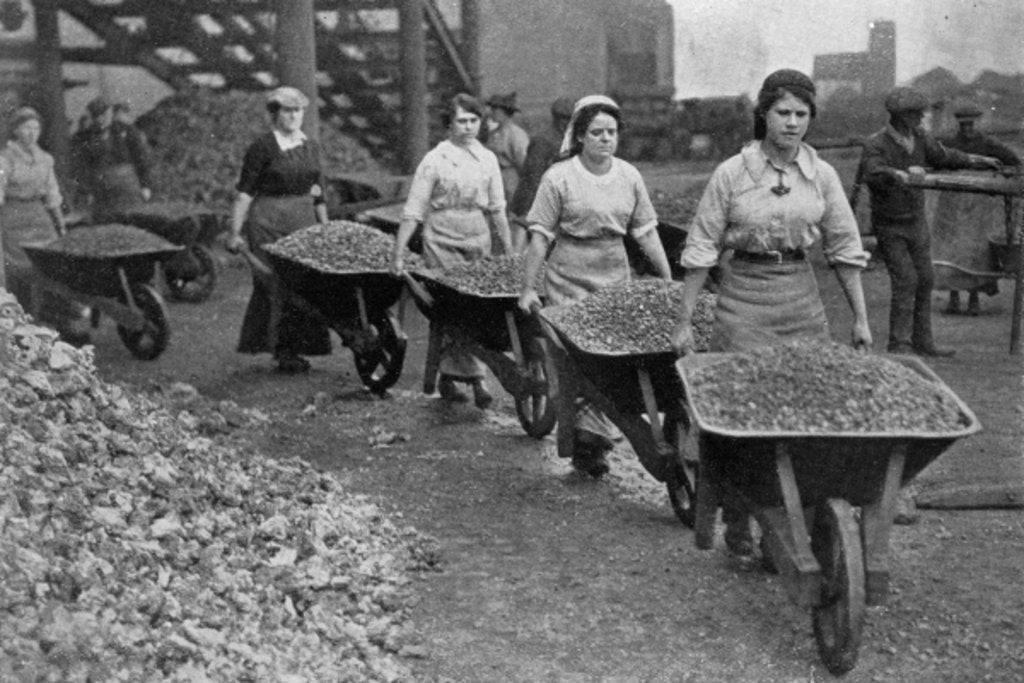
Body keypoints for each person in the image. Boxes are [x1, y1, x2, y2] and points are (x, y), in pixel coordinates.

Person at [670, 70, 872, 560]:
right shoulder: (732, 174)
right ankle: (739, 516)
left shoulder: (820, 175)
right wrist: (683, 320)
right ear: (764, 114)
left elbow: (845, 248)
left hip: (800, 299)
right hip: (742, 300)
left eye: (802, 114)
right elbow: (700, 250)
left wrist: (861, 319)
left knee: (805, 415)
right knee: (743, 415)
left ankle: (794, 521)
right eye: (783, 112)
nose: (793, 123)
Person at [518, 95, 672, 478]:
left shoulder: (629, 176)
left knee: (613, 357)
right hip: (569, 273)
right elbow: (539, 236)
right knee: (578, 359)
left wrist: (668, 278)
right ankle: (589, 440)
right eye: (597, 132)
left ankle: (594, 437)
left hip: (614, 272)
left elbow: (646, 231)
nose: (606, 139)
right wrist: (528, 287)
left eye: (612, 132)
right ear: (580, 136)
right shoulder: (559, 177)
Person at [858, 86, 1001, 356]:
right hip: (890, 225)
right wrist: (896, 174)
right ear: (901, 116)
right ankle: (899, 344)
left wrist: (978, 160)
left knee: (926, 278)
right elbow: (873, 171)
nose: (922, 119)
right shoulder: (877, 143)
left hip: (916, 222)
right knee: (906, 280)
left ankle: (923, 343)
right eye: (916, 114)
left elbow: (944, 156)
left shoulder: (921, 138)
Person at [390, 93, 512, 408]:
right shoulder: (435, 159)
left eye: (474, 120)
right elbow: (414, 209)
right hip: (441, 236)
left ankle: (456, 375)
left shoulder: (487, 159)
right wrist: (399, 251)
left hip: (477, 236)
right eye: (462, 120)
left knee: (480, 307)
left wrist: (510, 252)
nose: (469, 127)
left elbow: (498, 209)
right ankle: (476, 379)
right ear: (449, 123)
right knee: (452, 307)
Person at [225, 86, 332, 374]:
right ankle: (283, 351)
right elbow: (245, 193)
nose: (294, 116)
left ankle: (299, 346)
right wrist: (235, 231)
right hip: (268, 223)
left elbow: (318, 191)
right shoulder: (262, 147)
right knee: (276, 285)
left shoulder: (310, 147)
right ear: (274, 114)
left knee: (306, 284)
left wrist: (326, 228)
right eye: (287, 110)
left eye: (298, 110)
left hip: (303, 221)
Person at [0, 106, 89, 344]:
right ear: (16, 131)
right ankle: (23, 324)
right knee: (23, 271)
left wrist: (60, 226)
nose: (32, 133)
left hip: (39, 217)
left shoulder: (45, 159)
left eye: (36, 128)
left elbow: (52, 195)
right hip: (12, 219)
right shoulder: (5, 159)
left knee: (53, 264)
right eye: (26, 128)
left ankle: (59, 318)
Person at [933, 99, 1021, 316]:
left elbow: (1012, 159)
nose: (968, 129)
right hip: (952, 202)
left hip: (977, 205)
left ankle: (973, 298)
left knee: (976, 250)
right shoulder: (950, 144)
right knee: (951, 251)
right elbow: (937, 160)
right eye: (963, 126)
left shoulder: (988, 143)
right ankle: (953, 298)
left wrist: (1008, 171)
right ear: (958, 125)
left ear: (977, 124)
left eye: (971, 125)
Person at [70, 96, 153, 222]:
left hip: (128, 185)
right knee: (106, 222)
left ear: (111, 113)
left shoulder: (127, 131)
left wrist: (145, 186)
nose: (102, 119)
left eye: (105, 114)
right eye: (98, 115)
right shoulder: (84, 138)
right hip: (101, 189)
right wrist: (86, 190)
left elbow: (141, 158)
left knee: (134, 219)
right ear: (93, 117)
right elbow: (81, 167)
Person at [508, 95, 575, 247]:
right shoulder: (543, 141)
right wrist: (525, 211)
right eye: (564, 119)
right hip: (543, 203)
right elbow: (532, 177)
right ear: (557, 119)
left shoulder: (575, 140)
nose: (568, 124)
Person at [484, 92, 530, 247]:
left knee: (511, 215)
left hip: (511, 178)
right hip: (494, 177)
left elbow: (523, 162)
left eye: (496, 110)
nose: (492, 113)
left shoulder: (516, 134)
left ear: (505, 112)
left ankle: (513, 252)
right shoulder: (493, 134)